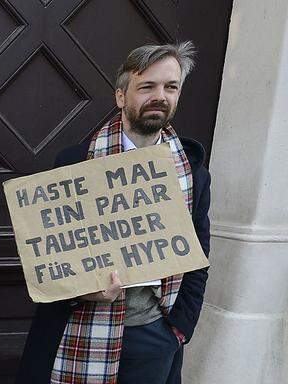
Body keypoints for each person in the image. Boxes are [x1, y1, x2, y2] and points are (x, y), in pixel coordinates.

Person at [16, 41, 211, 384]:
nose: (160, 96)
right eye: (146, 86)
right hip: (81, 329)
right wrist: (80, 289)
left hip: (153, 334)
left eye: (170, 87)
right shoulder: (74, 165)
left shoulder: (192, 171)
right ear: (121, 96)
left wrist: (179, 329)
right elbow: (48, 258)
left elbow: (199, 256)